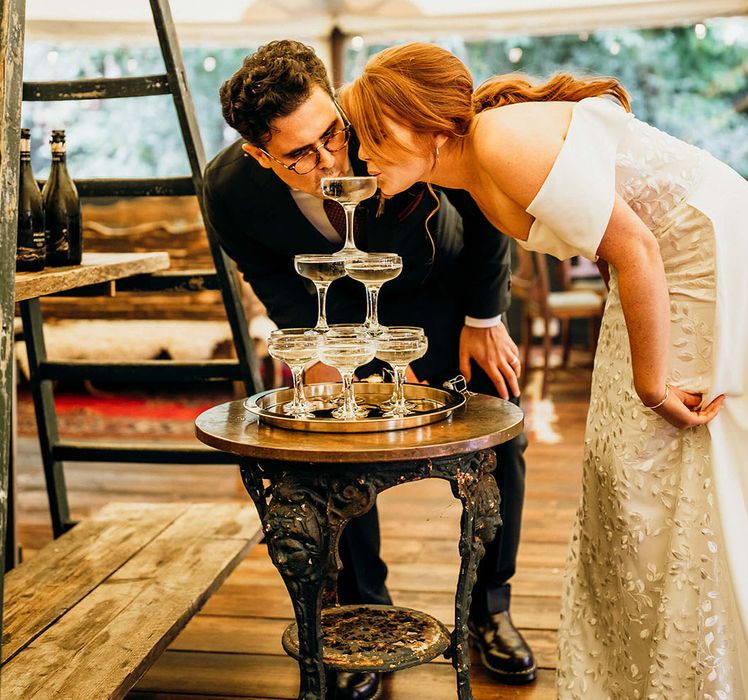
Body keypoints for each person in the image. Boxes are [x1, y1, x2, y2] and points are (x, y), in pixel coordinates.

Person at [341, 42, 748, 699]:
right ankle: (651, 663)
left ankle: (705, 663)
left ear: (421, 122)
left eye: (371, 137)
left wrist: (651, 385)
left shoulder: (496, 139)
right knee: (620, 467)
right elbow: (610, 236)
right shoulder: (473, 171)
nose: (361, 155)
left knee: (669, 460)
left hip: (699, 249)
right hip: (655, 266)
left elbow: (637, 244)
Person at [203, 40, 537, 698]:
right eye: (299, 154)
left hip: (441, 295)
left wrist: (483, 317)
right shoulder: (229, 192)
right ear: (258, 155)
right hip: (335, 317)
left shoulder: (380, 121)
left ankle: (490, 610)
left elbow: (485, 197)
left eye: (332, 133)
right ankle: (363, 619)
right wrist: (327, 357)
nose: (331, 158)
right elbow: (275, 280)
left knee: (504, 432)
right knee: (334, 448)